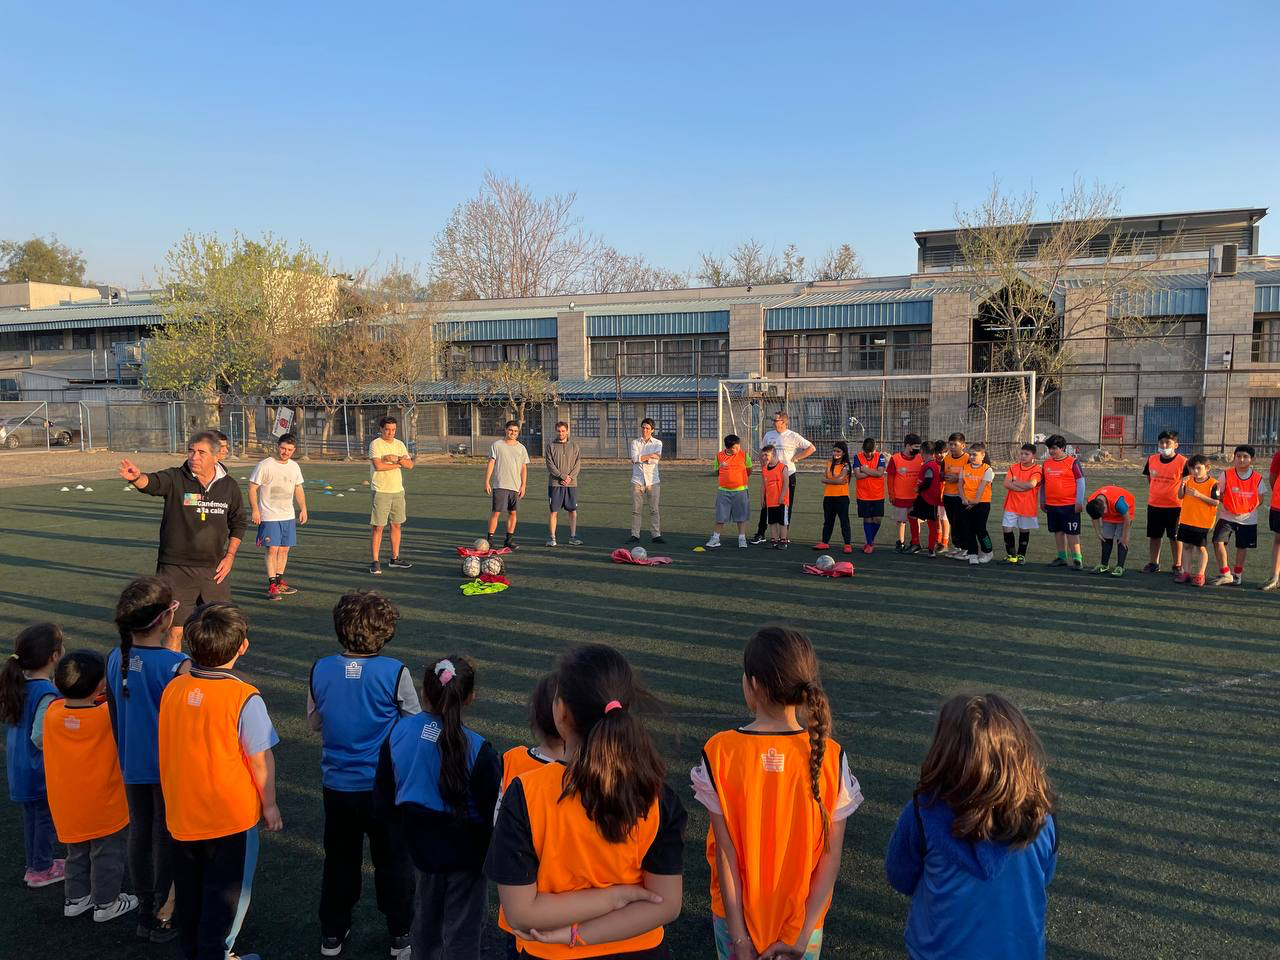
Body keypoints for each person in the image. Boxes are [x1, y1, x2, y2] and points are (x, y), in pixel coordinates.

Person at [485, 644, 685, 958]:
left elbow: (522, 914)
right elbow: (666, 903)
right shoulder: (657, 795)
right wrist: (614, 899)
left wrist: (585, 923)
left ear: (561, 713)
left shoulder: (527, 793)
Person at [691, 626, 863, 960]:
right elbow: (830, 860)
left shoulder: (720, 751)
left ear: (753, 684)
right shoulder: (831, 756)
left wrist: (739, 939)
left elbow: (726, 856)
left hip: (734, 921)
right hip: (803, 925)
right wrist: (800, 937)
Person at [885, 694, 1058, 960]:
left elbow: (900, 876)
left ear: (945, 751)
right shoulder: (1042, 816)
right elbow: (1044, 876)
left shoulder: (923, 813)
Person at [159, 602, 282, 960]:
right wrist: (270, 804)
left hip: (182, 813)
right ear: (242, 646)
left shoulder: (174, 688)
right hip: (230, 819)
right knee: (225, 899)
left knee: (191, 892)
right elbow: (260, 760)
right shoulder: (243, 697)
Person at [310, 591, 421, 959]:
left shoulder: (321, 667)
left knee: (340, 861)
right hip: (384, 789)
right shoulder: (395, 671)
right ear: (385, 631)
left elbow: (314, 723)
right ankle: (400, 935)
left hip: (338, 787)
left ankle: (332, 934)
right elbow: (412, 725)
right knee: (394, 863)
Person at [374, 655, 501, 960]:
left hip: (422, 852)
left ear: (423, 693)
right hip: (468, 859)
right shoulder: (479, 749)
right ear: (470, 698)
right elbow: (492, 818)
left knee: (426, 925)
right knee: (463, 930)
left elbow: (385, 802)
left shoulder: (398, 734)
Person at [108, 577, 190, 942]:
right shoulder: (176, 664)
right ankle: (164, 911)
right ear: (164, 618)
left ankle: (146, 910)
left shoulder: (115, 657)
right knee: (165, 835)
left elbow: (113, 713)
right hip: (167, 767)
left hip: (131, 762)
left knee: (140, 832)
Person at [118, 432, 247, 649]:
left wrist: (230, 556)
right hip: (175, 569)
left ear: (216, 456)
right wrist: (137, 478)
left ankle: (210, 676)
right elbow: (152, 483)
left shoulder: (230, 486)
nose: (194, 456)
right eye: (191, 450)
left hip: (214, 570)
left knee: (221, 628)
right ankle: (173, 678)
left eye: (201, 452)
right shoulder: (176, 478)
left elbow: (239, 523)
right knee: (175, 630)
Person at [43, 649, 138, 922]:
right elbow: (117, 703)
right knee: (107, 853)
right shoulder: (104, 716)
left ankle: (75, 898)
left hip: (66, 803)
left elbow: (77, 707)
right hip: (104, 802)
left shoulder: (53, 713)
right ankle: (106, 903)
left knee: (76, 851)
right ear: (100, 684)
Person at [498, 674, 567, 959]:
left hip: (522, 898)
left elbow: (498, 829)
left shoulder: (514, 758)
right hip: (579, 905)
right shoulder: (602, 775)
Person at [2, 622, 65, 889]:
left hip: (19, 767)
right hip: (37, 770)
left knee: (32, 818)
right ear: (54, 655)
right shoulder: (46, 692)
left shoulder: (20, 684)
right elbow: (40, 736)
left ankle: (35, 863)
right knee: (43, 819)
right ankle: (41, 867)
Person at [248, 431, 308, 601]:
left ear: (294, 450)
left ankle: (280, 581)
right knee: (272, 549)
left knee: (284, 549)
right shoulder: (265, 465)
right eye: (283, 448)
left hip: (287, 515)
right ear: (277, 447)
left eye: (289, 450)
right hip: (269, 515)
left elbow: (298, 488)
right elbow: (252, 488)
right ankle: (272, 584)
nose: (285, 452)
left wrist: (303, 508)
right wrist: (255, 510)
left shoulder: (294, 466)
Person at [751, 412, 816, 544]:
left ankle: (783, 536)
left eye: (776, 420)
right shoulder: (769, 435)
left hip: (788, 475)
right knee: (766, 504)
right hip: (770, 476)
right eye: (773, 420)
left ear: (784, 422)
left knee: (786, 505)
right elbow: (761, 452)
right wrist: (764, 467)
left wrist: (797, 457)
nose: (773, 422)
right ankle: (761, 533)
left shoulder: (793, 436)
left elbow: (811, 448)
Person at [1211, 444, 1269, 586]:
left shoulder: (1257, 478)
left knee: (1242, 547)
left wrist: (1245, 508)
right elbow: (1219, 494)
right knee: (1217, 542)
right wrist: (1229, 504)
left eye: (1245, 457)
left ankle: (1237, 575)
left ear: (1252, 459)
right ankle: (1225, 573)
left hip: (1248, 519)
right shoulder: (1225, 475)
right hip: (1227, 517)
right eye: (1238, 456)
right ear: (1234, 458)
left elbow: (1260, 500)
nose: (1241, 459)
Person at [369, 416, 415, 575]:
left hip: (398, 491)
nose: (390, 433)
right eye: (387, 429)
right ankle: (375, 561)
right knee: (378, 527)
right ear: (381, 429)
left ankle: (395, 558)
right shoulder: (375, 444)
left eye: (393, 430)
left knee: (396, 525)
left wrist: (396, 460)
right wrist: (398, 463)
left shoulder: (400, 444)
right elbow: (379, 466)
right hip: (381, 490)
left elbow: (410, 465)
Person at [1141, 431, 1188, 574]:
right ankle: (1154, 563)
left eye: (1168, 442)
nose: (1164, 445)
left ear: (1176, 445)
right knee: (1155, 536)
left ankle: (1177, 565)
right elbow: (1149, 478)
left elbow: (1187, 482)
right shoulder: (1152, 459)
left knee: (1175, 537)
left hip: (1175, 506)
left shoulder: (1183, 461)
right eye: (1161, 442)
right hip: (1154, 504)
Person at [1040, 435, 1085, 570]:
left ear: (1062, 448)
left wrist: (1079, 501)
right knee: (1058, 531)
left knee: (1072, 532)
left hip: (1069, 505)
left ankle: (1077, 559)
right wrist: (1042, 500)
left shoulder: (1073, 462)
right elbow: (1043, 484)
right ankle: (1062, 557)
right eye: (1049, 448)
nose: (1051, 451)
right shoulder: (1046, 463)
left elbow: (1081, 482)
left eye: (1054, 448)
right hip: (1052, 505)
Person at [1175, 456, 1219, 587]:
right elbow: (1180, 496)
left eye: (1198, 468)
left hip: (1202, 521)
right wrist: (1182, 484)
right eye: (1192, 468)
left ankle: (1200, 574)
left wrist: (1198, 495)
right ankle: (1186, 572)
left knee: (1200, 548)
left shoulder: (1213, 483)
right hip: (1186, 519)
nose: (1195, 471)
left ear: (1207, 468)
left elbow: (1216, 502)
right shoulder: (1188, 480)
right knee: (1187, 546)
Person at [486, 420, 531, 551]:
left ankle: (508, 540)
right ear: (506, 430)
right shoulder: (497, 445)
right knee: (496, 513)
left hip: (515, 487)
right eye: (511, 430)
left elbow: (524, 468)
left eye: (516, 431)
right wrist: (487, 481)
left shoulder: (521, 448)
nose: (513, 433)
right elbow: (491, 464)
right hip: (500, 485)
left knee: (513, 513)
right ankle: (490, 539)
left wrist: (523, 486)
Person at [706, 434, 753, 549]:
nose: (737, 449)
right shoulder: (719, 456)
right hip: (723, 491)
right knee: (720, 516)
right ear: (728, 448)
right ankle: (716, 538)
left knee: (741, 516)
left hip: (741, 491)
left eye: (738, 447)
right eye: (735, 448)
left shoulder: (744, 455)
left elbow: (749, 470)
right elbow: (717, 471)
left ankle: (742, 539)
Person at [1001, 443, 1042, 565]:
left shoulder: (1037, 469)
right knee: (1006, 528)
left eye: (1026, 454)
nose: (1023, 456)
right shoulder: (1013, 467)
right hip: (1011, 504)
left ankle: (1021, 556)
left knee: (1024, 530)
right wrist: (1021, 488)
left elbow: (1031, 485)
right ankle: (1011, 555)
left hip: (1027, 506)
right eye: (1022, 453)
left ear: (1033, 455)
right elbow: (1006, 484)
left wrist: (1016, 482)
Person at [545, 421, 582, 547]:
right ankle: (552, 538)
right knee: (553, 511)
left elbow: (578, 464)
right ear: (556, 431)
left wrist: (570, 478)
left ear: (567, 431)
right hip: (555, 484)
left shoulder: (575, 446)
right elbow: (550, 465)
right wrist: (561, 476)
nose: (561, 433)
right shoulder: (550, 446)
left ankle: (573, 536)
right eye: (558, 431)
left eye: (563, 431)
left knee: (572, 510)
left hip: (571, 484)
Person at [1085, 485, 1135, 577]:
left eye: (1102, 514)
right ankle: (1104, 565)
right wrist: (1098, 532)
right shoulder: (1092, 501)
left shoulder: (1118, 502)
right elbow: (1094, 517)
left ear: (1104, 505)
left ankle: (1120, 567)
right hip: (1111, 510)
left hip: (1124, 514)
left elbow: (1127, 518)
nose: (1103, 515)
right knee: (1106, 536)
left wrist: (1125, 536)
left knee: (1121, 539)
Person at [957, 442, 995, 565]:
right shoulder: (964, 468)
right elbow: (960, 486)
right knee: (968, 529)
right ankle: (973, 553)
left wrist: (975, 502)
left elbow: (981, 488)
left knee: (980, 529)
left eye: (975, 455)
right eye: (971, 454)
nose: (972, 457)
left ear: (983, 456)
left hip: (982, 504)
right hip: (966, 503)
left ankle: (988, 551)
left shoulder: (987, 469)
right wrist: (963, 499)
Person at [887, 434, 925, 554]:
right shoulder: (895, 458)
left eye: (919, 447)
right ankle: (900, 542)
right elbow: (890, 478)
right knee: (901, 520)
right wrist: (891, 494)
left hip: (916, 497)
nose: (918, 449)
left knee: (915, 520)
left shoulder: (920, 458)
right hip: (900, 496)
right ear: (908, 446)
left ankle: (915, 542)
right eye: (915, 446)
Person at [629, 417, 665, 544]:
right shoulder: (635, 443)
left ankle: (656, 535)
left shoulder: (658, 443)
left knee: (654, 509)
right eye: (643, 427)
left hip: (653, 481)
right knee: (636, 510)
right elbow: (634, 458)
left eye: (648, 428)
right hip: (637, 481)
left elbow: (656, 460)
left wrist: (642, 458)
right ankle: (635, 535)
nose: (645, 430)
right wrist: (650, 456)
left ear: (652, 430)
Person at [814, 441, 853, 554]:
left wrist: (830, 480)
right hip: (828, 497)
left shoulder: (845, 465)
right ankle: (825, 542)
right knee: (828, 521)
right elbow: (825, 478)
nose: (835, 453)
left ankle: (847, 544)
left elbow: (839, 480)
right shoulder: (829, 463)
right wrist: (835, 481)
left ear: (843, 452)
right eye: (834, 450)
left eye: (838, 451)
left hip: (842, 497)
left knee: (844, 521)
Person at [910, 441, 946, 557]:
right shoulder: (931, 464)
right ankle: (929, 548)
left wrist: (918, 489)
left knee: (929, 522)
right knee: (914, 516)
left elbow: (928, 482)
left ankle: (925, 546)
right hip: (927, 497)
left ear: (922, 451)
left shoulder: (929, 465)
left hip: (927, 498)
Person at [854, 438, 888, 555]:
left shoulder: (881, 456)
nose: (868, 454)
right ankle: (869, 543)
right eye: (866, 452)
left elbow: (880, 473)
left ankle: (870, 540)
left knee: (877, 519)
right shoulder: (857, 457)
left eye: (871, 452)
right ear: (863, 449)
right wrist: (872, 472)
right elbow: (858, 475)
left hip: (878, 494)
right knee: (867, 518)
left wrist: (866, 470)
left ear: (876, 449)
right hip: (863, 494)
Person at [940, 434, 968, 558]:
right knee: (952, 522)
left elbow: (972, 476)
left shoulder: (968, 458)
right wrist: (944, 476)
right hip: (948, 495)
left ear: (963, 445)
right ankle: (957, 546)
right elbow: (941, 473)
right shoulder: (946, 459)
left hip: (961, 496)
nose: (952, 447)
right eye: (950, 444)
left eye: (955, 444)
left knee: (962, 522)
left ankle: (966, 547)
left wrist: (958, 478)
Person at [761, 444, 791, 548]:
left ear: (774, 454)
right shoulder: (764, 469)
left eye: (766, 455)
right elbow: (763, 485)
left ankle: (783, 541)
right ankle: (774, 540)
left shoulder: (782, 467)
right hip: (770, 501)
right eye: (763, 455)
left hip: (781, 501)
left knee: (782, 522)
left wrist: (782, 496)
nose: (764, 457)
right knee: (772, 522)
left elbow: (786, 483)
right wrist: (762, 498)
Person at [1263, 447, 1280, 591]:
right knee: (1278, 539)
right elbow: (1273, 479)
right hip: (1279, 505)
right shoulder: (1278, 456)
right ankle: (1275, 576)